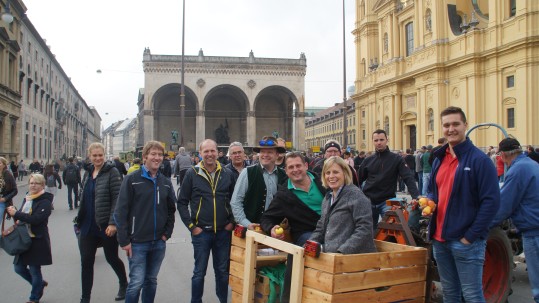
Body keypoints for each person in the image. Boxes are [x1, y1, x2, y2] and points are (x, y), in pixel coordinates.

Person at [426, 106, 500, 303]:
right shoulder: (439, 158)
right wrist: (429, 201)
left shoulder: (480, 160)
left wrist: (470, 236)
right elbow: (433, 190)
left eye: (455, 124)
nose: (451, 129)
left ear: (465, 125)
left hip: (465, 242)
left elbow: (491, 202)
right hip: (440, 240)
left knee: (472, 296)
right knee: (450, 294)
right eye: (446, 125)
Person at [114, 141, 176, 303]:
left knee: (151, 281)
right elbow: (120, 211)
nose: (157, 158)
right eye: (153, 154)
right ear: (144, 157)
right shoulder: (132, 180)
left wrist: (166, 234)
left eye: (160, 155)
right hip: (137, 242)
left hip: (158, 241)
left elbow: (171, 209)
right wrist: (124, 240)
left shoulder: (165, 182)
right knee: (136, 283)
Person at [177, 139, 236, 303]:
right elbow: (182, 202)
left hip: (223, 232)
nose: (210, 154)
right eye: (206, 151)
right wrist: (191, 226)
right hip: (201, 233)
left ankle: (223, 300)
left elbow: (235, 201)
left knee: (222, 271)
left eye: (212, 151)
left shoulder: (227, 173)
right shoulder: (192, 174)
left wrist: (232, 222)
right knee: (199, 272)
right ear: (200, 154)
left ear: (218, 152)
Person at [75, 143, 128, 303]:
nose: (98, 158)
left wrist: (113, 223)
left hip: (105, 224)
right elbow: (84, 197)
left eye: (100, 155)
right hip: (87, 225)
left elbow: (117, 199)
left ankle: (124, 283)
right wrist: (79, 219)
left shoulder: (112, 172)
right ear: (90, 156)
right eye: (94, 156)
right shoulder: (88, 172)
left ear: (104, 156)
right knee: (86, 261)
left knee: (111, 257)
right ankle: (85, 298)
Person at [489, 138, 539, 302]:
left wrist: (483, 226)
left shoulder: (518, 170)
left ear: (502, 155)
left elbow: (504, 205)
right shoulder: (531, 164)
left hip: (533, 230)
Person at [309, 156, 376, 254]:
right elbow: (321, 228)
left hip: (353, 259)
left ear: (345, 173)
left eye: (335, 172)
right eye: (328, 173)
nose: (331, 176)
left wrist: (342, 252)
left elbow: (364, 229)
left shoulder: (356, 196)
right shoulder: (328, 198)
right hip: (331, 257)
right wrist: (309, 246)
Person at [260, 151, 326, 246]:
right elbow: (266, 218)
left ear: (306, 166)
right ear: (286, 171)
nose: (295, 170)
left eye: (298, 166)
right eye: (291, 167)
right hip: (306, 234)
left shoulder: (323, 182)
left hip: (332, 229)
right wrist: (271, 228)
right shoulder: (283, 195)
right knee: (318, 245)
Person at [357, 129, 419, 228]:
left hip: (387, 201)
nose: (379, 143)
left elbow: (408, 178)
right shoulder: (368, 160)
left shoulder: (396, 159)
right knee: (368, 232)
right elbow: (357, 180)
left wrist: (416, 196)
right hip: (368, 201)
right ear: (372, 141)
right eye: (376, 140)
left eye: (381, 140)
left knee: (390, 232)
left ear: (387, 140)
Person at [6, 174, 52, 303]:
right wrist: (14, 212)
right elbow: (21, 218)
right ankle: (39, 284)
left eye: (36, 183)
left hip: (37, 239)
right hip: (24, 238)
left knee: (34, 269)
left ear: (42, 185)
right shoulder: (27, 198)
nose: (33, 185)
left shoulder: (46, 201)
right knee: (18, 268)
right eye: (31, 183)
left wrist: (17, 213)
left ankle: (34, 298)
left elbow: (36, 220)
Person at [230, 136, 287, 230]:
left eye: (270, 152)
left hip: (275, 230)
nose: (265, 155)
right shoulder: (247, 172)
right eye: (263, 152)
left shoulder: (284, 175)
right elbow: (235, 202)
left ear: (277, 155)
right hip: (251, 230)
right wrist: (246, 224)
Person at [0, 157, 18, 224]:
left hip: (1, 203)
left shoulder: (8, 175)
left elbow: (15, 190)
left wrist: (5, 198)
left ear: (4, 165)